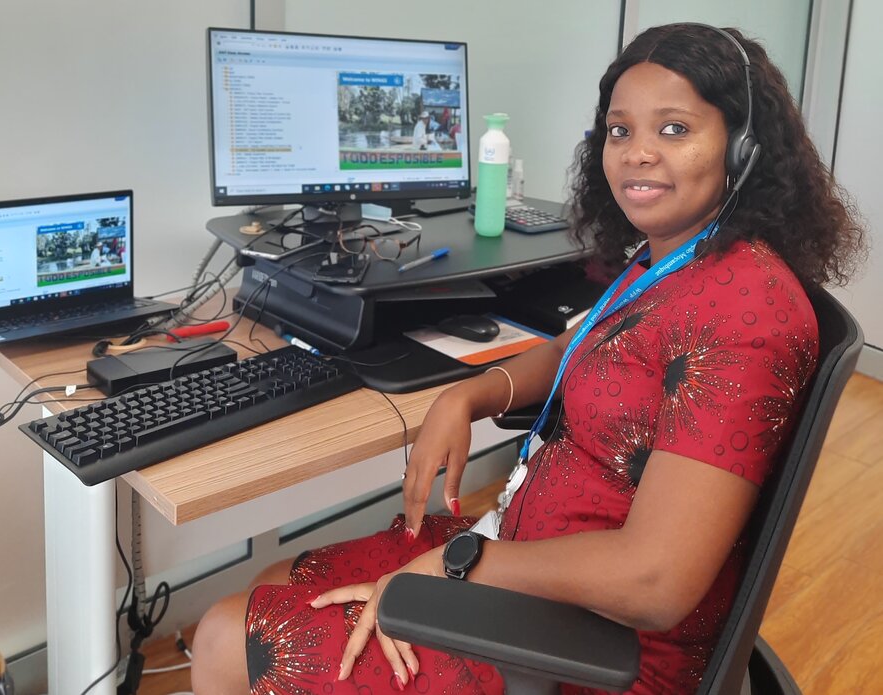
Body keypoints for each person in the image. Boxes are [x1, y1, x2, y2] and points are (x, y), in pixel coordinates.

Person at [191, 23, 864, 695]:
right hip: (523, 557)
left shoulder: (748, 316)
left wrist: (458, 565)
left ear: (743, 150)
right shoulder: (673, 256)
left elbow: (653, 581)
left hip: (588, 644)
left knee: (227, 638)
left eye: (674, 129)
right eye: (621, 131)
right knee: (274, 582)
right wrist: (472, 394)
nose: (637, 155)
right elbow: (583, 346)